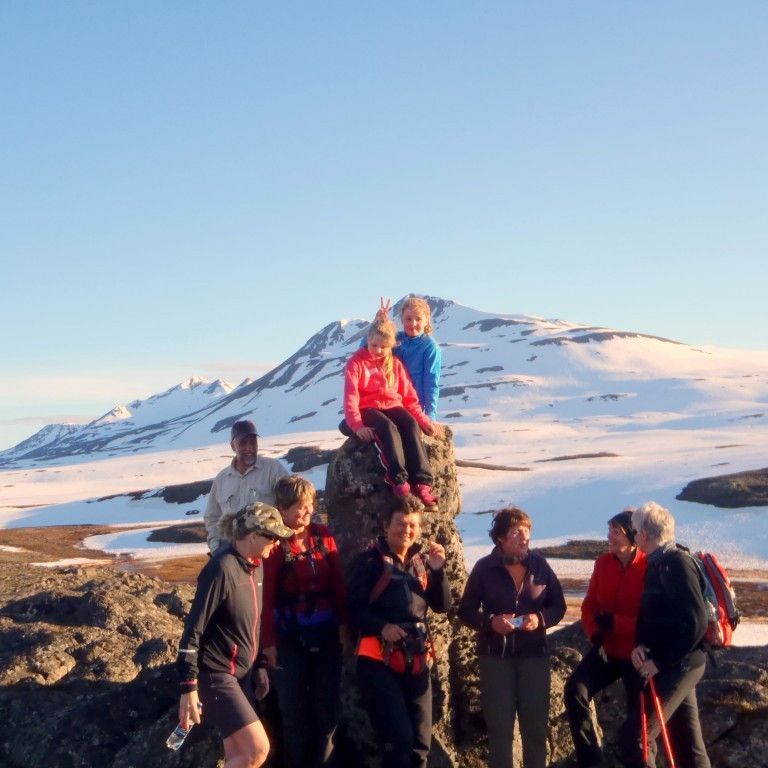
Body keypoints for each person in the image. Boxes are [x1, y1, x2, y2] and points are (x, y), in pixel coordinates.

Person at [177, 501, 294, 768]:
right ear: (252, 535)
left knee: (238, 756)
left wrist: (259, 665)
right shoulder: (222, 568)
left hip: (241, 676)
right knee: (257, 750)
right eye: (272, 537)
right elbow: (193, 629)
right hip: (216, 676)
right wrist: (188, 687)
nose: (277, 543)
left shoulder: (256, 566)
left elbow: (252, 623)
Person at [458, 507, 566, 768]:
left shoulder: (540, 566)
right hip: (495, 658)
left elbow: (558, 607)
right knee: (499, 731)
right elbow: (466, 610)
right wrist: (491, 623)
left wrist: (539, 619)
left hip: (534, 657)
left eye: (527, 531)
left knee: (535, 730)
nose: (524, 537)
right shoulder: (484, 568)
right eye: (517, 532)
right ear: (500, 538)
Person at [347, 495, 450, 768]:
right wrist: (382, 627)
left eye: (413, 525)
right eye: (401, 524)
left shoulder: (422, 562)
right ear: (386, 525)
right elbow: (352, 610)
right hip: (377, 661)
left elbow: (442, 606)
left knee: (421, 743)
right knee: (399, 742)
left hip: (417, 658)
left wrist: (438, 572)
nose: (407, 530)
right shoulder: (369, 562)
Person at [260, 476, 349, 767]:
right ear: (282, 509)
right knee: (293, 712)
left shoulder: (324, 536)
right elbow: (266, 599)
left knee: (328, 711)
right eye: (300, 506)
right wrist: (268, 645)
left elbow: (339, 587)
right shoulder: (273, 546)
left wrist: (344, 628)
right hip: (288, 642)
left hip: (327, 638)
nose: (307, 511)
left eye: (310, 504)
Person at [621, 501, 711, 768]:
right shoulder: (659, 563)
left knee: (636, 736)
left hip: (681, 664)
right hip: (678, 662)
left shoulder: (676, 564)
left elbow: (696, 622)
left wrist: (659, 661)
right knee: (687, 743)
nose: (633, 536)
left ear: (644, 535)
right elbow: (650, 613)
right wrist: (639, 644)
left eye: (634, 531)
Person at [564, 510, 647, 767]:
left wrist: (616, 623)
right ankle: (591, 761)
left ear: (632, 537)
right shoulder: (603, 563)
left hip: (637, 655)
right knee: (575, 690)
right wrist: (595, 633)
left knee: (638, 717)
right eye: (609, 531)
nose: (609, 537)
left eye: (616, 532)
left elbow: (653, 620)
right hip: (607, 650)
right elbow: (589, 606)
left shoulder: (649, 566)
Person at [343, 314, 441, 509]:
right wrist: (357, 425)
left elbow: (409, 399)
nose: (378, 350)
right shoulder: (356, 363)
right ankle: (398, 480)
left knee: (410, 424)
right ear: (368, 341)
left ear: (391, 346)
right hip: (367, 408)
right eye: (374, 345)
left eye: (383, 347)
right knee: (387, 428)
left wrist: (424, 421)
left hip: (392, 405)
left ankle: (422, 483)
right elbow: (351, 398)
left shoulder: (395, 364)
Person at [204, 419, 289, 553]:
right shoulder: (221, 479)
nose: (249, 447)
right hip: (232, 552)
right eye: (243, 442)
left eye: (253, 442)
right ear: (233, 446)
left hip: (267, 551)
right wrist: (216, 547)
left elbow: (290, 503)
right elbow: (212, 517)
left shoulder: (273, 469)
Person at [372, 296, 442, 419]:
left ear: (426, 321)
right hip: (389, 403)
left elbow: (431, 383)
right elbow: (368, 349)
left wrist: (430, 416)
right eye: (408, 319)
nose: (413, 324)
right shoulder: (394, 338)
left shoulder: (429, 346)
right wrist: (378, 323)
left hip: (413, 407)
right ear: (402, 319)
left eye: (418, 319)